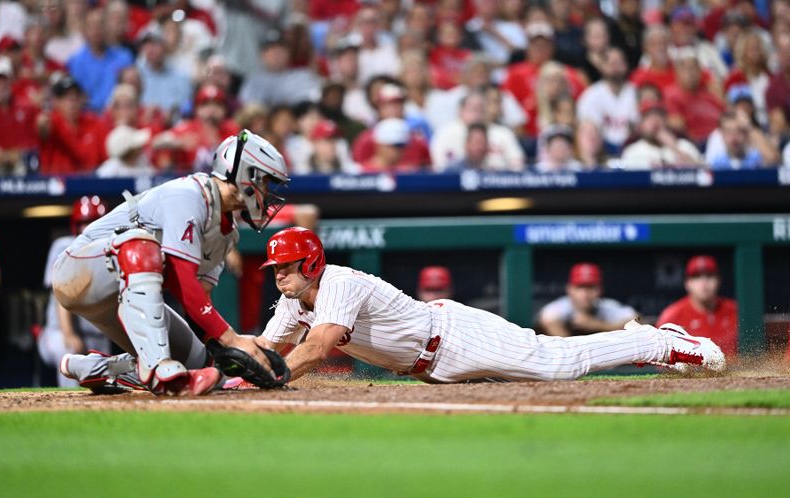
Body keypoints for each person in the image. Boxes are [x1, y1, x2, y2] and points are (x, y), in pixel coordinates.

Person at [254, 227, 725, 384]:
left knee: (558, 365)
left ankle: (654, 342)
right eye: (275, 269)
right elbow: (264, 349)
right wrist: (230, 374)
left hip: (453, 337)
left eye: (287, 267)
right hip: (431, 367)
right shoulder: (294, 301)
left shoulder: (337, 282)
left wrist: (268, 380)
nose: (279, 276)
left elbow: (317, 348)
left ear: (311, 262)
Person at [55, 130, 290, 396]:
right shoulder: (189, 194)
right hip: (78, 271)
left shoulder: (227, 234)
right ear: (247, 174)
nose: (268, 192)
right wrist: (231, 337)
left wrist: (228, 349)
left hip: (123, 296)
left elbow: (198, 300)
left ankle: (99, 368)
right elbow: (182, 278)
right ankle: (160, 372)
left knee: (203, 364)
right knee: (141, 247)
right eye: (265, 181)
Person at [38, 196, 112, 387]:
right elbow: (60, 295)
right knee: (68, 352)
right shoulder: (64, 246)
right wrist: (69, 333)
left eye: (95, 222)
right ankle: (68, 403)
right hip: (58, 332)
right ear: (76, 226)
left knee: (104, 378)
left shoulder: (112, 250)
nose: (89, 228)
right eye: (85, 223)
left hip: (98, 336)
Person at [657, 255, 738, 359]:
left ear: (718, 280)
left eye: (709, 276)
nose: (704, 283)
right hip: (692, 369)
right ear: (687, 283)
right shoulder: (672, 316)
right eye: (696, 277)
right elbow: (660, 358)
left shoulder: (736, 311)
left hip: (733, 368)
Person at [538, 263, 638, 337]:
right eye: (580, 287)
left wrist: (597, 325)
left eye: (590, 287)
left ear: (600, 290)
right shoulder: (562, 306)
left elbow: (637, 320)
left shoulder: (605, 305)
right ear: (569, 289)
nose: (585, 294)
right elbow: (547, 320)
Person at [576, 47, 638, 154]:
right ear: (603, 66)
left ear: (626, 65)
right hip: (601, 150)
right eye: (612, 63)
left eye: (619, 63)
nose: (616, 67)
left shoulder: (636, 93)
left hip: (632, 148)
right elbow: (587, 128)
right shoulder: (591, 94)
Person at [619, 101, 704, 170]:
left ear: (666, 121)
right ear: (641, 124)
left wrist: (675, 148)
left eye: (659, 116)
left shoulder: (684, 145)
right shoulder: (633, 151)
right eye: (648, 117)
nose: (655, 120)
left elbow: (704, 174)